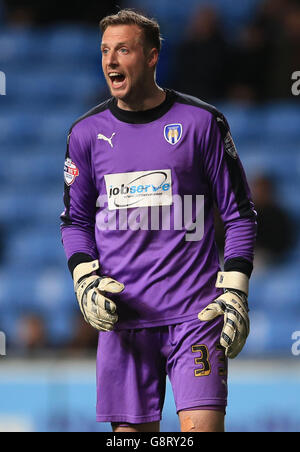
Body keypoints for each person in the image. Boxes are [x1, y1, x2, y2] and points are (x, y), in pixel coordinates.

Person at [60, 9, 257, 433]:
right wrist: (84, 280)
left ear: (152, 57)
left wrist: (236, 291)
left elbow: (239, 215)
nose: (111, 61)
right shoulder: (84, 134)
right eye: (105, 51)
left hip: (196, 316)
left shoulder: (202, 123)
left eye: (124, 50)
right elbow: (74, 221)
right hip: (123, 320)